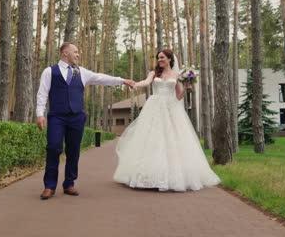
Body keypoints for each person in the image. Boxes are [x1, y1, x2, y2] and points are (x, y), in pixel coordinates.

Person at [36, 42, 135, 200]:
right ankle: (49, 186)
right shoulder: (49, 72)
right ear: (65, 53)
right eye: (75, 52)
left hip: (76, 117)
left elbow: (101, 78)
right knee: (53, 148)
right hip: (57, 116)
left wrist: (122, 80)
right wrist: (40, 114)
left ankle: (69, 183)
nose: (78, 55)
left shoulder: (82, 72)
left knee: (73, 150)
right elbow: (42, 93)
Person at [113, 49, 220, 191]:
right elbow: (146, 82)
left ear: (170, 59)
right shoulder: (154, 73)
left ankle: (172, 176)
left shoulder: (176, 76)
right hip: (154, 107)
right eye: (158, 58)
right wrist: (135, 84)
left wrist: (188, 86)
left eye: (162, 57)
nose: (159, 60)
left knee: (171, 139)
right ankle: (146, 176)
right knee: (151, 139)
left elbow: (178, 96)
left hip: (170, 108)